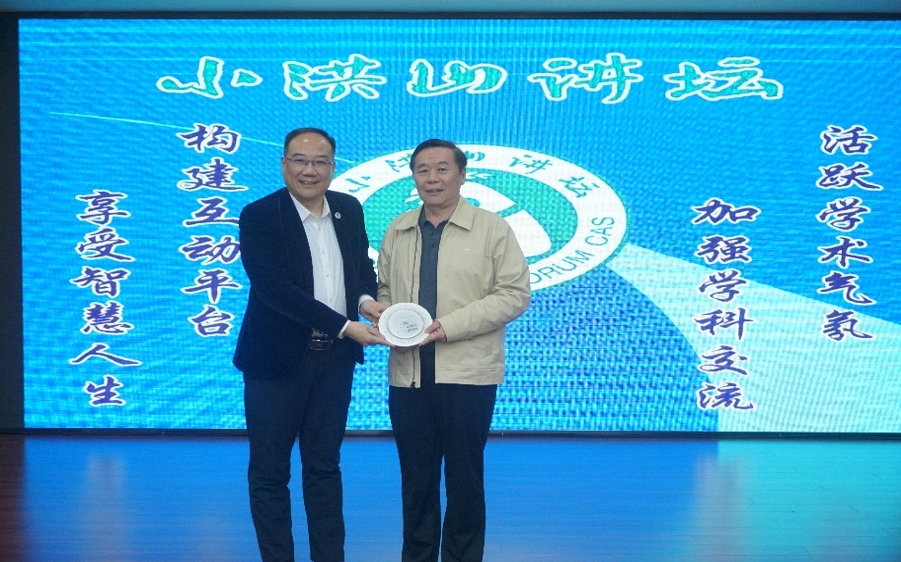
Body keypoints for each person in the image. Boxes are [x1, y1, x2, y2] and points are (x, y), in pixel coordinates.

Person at [233, 127, 389, 562]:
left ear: (333, 167)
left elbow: (360, 268)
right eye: (300, 160)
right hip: (274, 363)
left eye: (320, 161)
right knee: (270, 472)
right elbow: (276, 290)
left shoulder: (348, 208)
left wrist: (366, 302)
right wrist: (345, 325)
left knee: (324, 467)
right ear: (284, 164)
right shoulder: (260, 215)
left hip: (334, 363)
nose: (309, 170)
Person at [377, 139, 531, 562]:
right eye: (422, 170)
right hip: (408, 374)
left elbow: (514, 294)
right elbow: (385, 288)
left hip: (468, 375)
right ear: (413, 177)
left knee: (464, 479)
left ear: (462, 175)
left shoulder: (492, 228)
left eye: (442, 169)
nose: (432, 178)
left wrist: (448, 327)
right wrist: (383, 312)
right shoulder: (398, 228)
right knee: (416, 479)